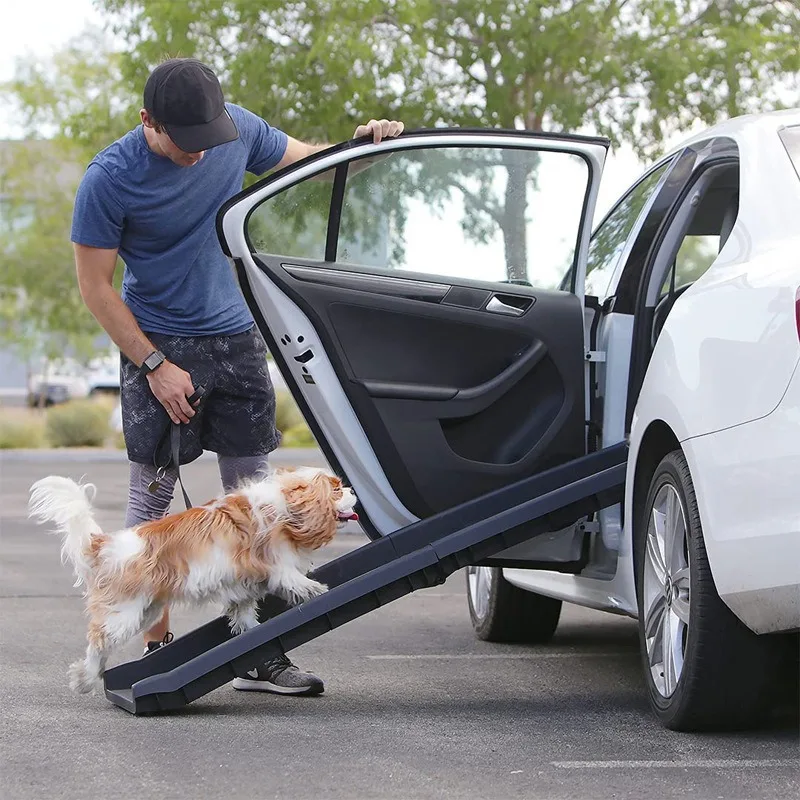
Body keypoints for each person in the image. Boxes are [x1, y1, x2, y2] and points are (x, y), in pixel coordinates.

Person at [70, 57, 404, 696]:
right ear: (148, 121)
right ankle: (157, 650)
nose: (200, 154)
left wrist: (364, 146)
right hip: (157, 341)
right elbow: (95, 288)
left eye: (209, 139)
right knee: (152, 501)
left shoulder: (236, 129)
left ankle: (259, 654)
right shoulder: (108, 179)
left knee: (257, 503)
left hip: (235, 335)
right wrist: (154, 366)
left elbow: (313, 162)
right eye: (185, 142)